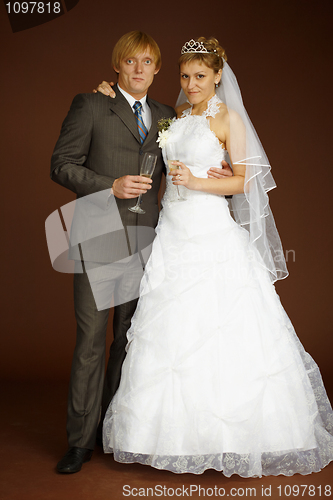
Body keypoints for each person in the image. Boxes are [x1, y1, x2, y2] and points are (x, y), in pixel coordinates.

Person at [101, 37, 333, 477]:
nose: (191, 84)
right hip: (172, 231)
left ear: (218, 76)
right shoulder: (176, 117)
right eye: (185, 76)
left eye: (200, 76)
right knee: (171, 326)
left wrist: (195, 182)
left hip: (209, 231)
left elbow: (245, 181)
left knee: (221, 322)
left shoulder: (228, 118)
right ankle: (168, 436)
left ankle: (230, 438)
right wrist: (106, 90)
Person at [51, 30, 233, 475]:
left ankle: (110, 430)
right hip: (97, 239)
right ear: (117, 66)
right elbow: (61, 164)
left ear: (155, 69)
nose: (138, 70)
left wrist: (221, 172)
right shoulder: (92, 104)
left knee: (128, 340)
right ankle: (79, 442)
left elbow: (194, 162)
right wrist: (108, 185)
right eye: (130, 62)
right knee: (91, 342)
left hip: (151, 243)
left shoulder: (171, 116)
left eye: (147, 62)